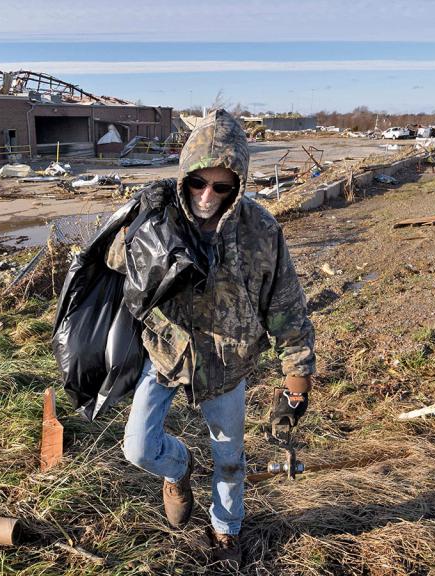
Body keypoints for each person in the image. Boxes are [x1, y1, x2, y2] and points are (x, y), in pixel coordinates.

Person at [106, 110, 315, 567]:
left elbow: (286, 307)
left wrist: (296, 377)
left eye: (221, 187)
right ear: (185, 177)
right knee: (138, 448)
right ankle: (178, 471)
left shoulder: (260, 231)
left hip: (226, 365)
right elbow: (116, 260)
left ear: (237, 186)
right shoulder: (162, 215)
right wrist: (139, 220)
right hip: (164, 353)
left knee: (230, 460)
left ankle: (226, 530)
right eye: (199, 183)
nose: (207, 196)